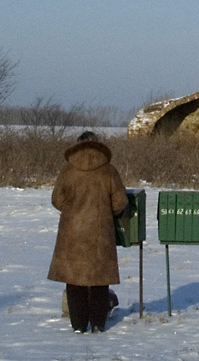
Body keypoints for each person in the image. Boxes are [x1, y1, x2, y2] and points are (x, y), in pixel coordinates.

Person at [47, 131, 128, 333]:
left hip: (72, 233)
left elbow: (57, 199)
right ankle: (99, 324)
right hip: (101, 233)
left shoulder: (68, 170)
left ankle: (78, 325)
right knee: (99, 279)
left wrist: (72, 210)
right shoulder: (108, 170)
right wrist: (105, 213)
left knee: (74, 280)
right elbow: (120, 202)